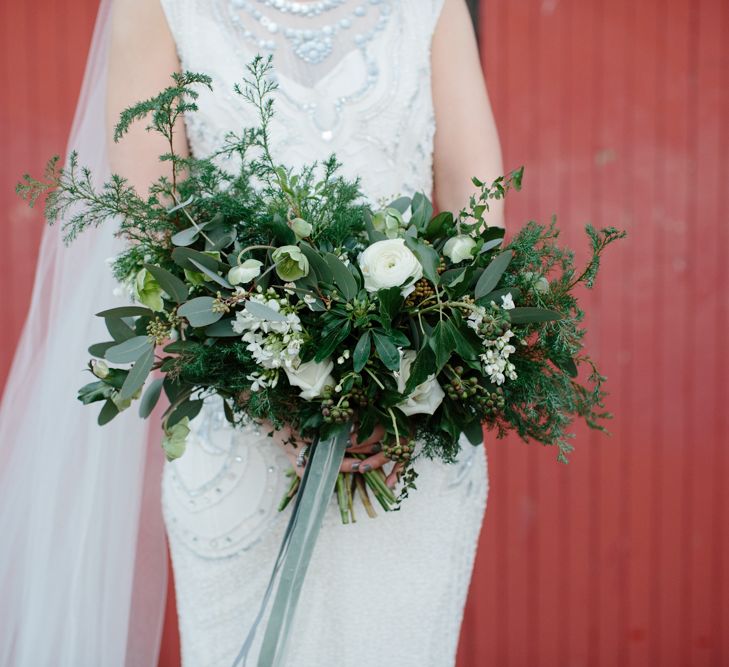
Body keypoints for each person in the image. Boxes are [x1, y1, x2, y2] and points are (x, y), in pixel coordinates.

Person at [0, 0, 503, 665]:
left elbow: (474, 208)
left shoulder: (426, 7)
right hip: (238, 434)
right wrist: (272, 391)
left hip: (410, 433)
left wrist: (410, 372)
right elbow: (153, 233)